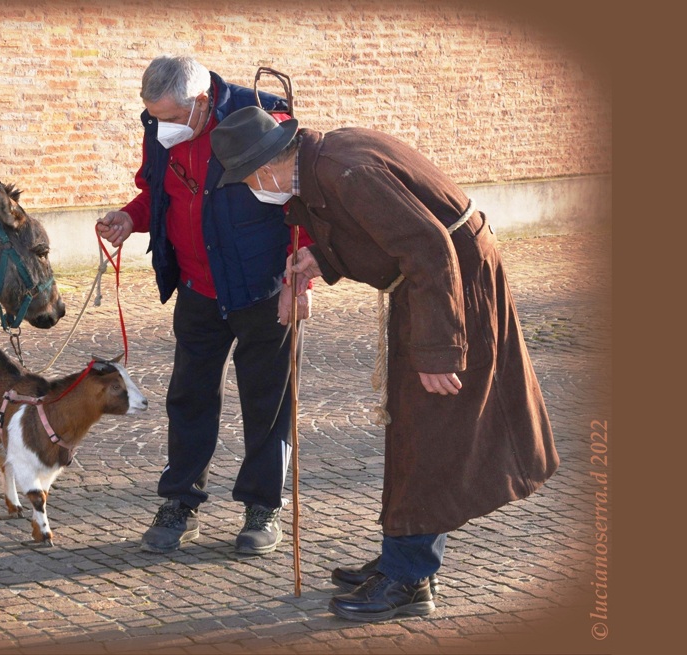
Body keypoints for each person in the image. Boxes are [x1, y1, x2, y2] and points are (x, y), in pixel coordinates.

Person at [210, 106, 559, 621]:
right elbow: (378, 234)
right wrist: (321, 260)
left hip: (453, 289)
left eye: (247, 179)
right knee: (412, 425)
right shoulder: (321, 162)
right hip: (433, 285)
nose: (250, 189)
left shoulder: (344, 172)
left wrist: (440, 350)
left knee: (430, 428)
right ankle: (404, 553)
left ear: (265, 169)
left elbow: (429, 247)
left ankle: (410, 578)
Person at [95, 55, 312, 557]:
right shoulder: (161, 125)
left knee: (267, 401)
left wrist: (297, 283)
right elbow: (158, 192)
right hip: (197, 287)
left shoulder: (262, 116)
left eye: (170, 117)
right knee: (188, 398)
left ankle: (262, 507)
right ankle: (179, 503)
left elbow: (300, 203)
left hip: (263, 289)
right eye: (155, 117)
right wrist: (131, 218)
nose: (161, 127)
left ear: (199, 103)